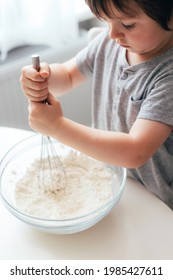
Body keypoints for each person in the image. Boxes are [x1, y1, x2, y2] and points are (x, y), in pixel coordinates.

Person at [20, 0, 173, 210]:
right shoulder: (110, 42)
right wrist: (42, 78)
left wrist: (56, 126)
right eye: (106, 21)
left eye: (128, 24)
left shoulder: (168, 77)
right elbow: (69, 76)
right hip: (109, 177)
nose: (112, 34)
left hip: (154, 200)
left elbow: (135, 151)